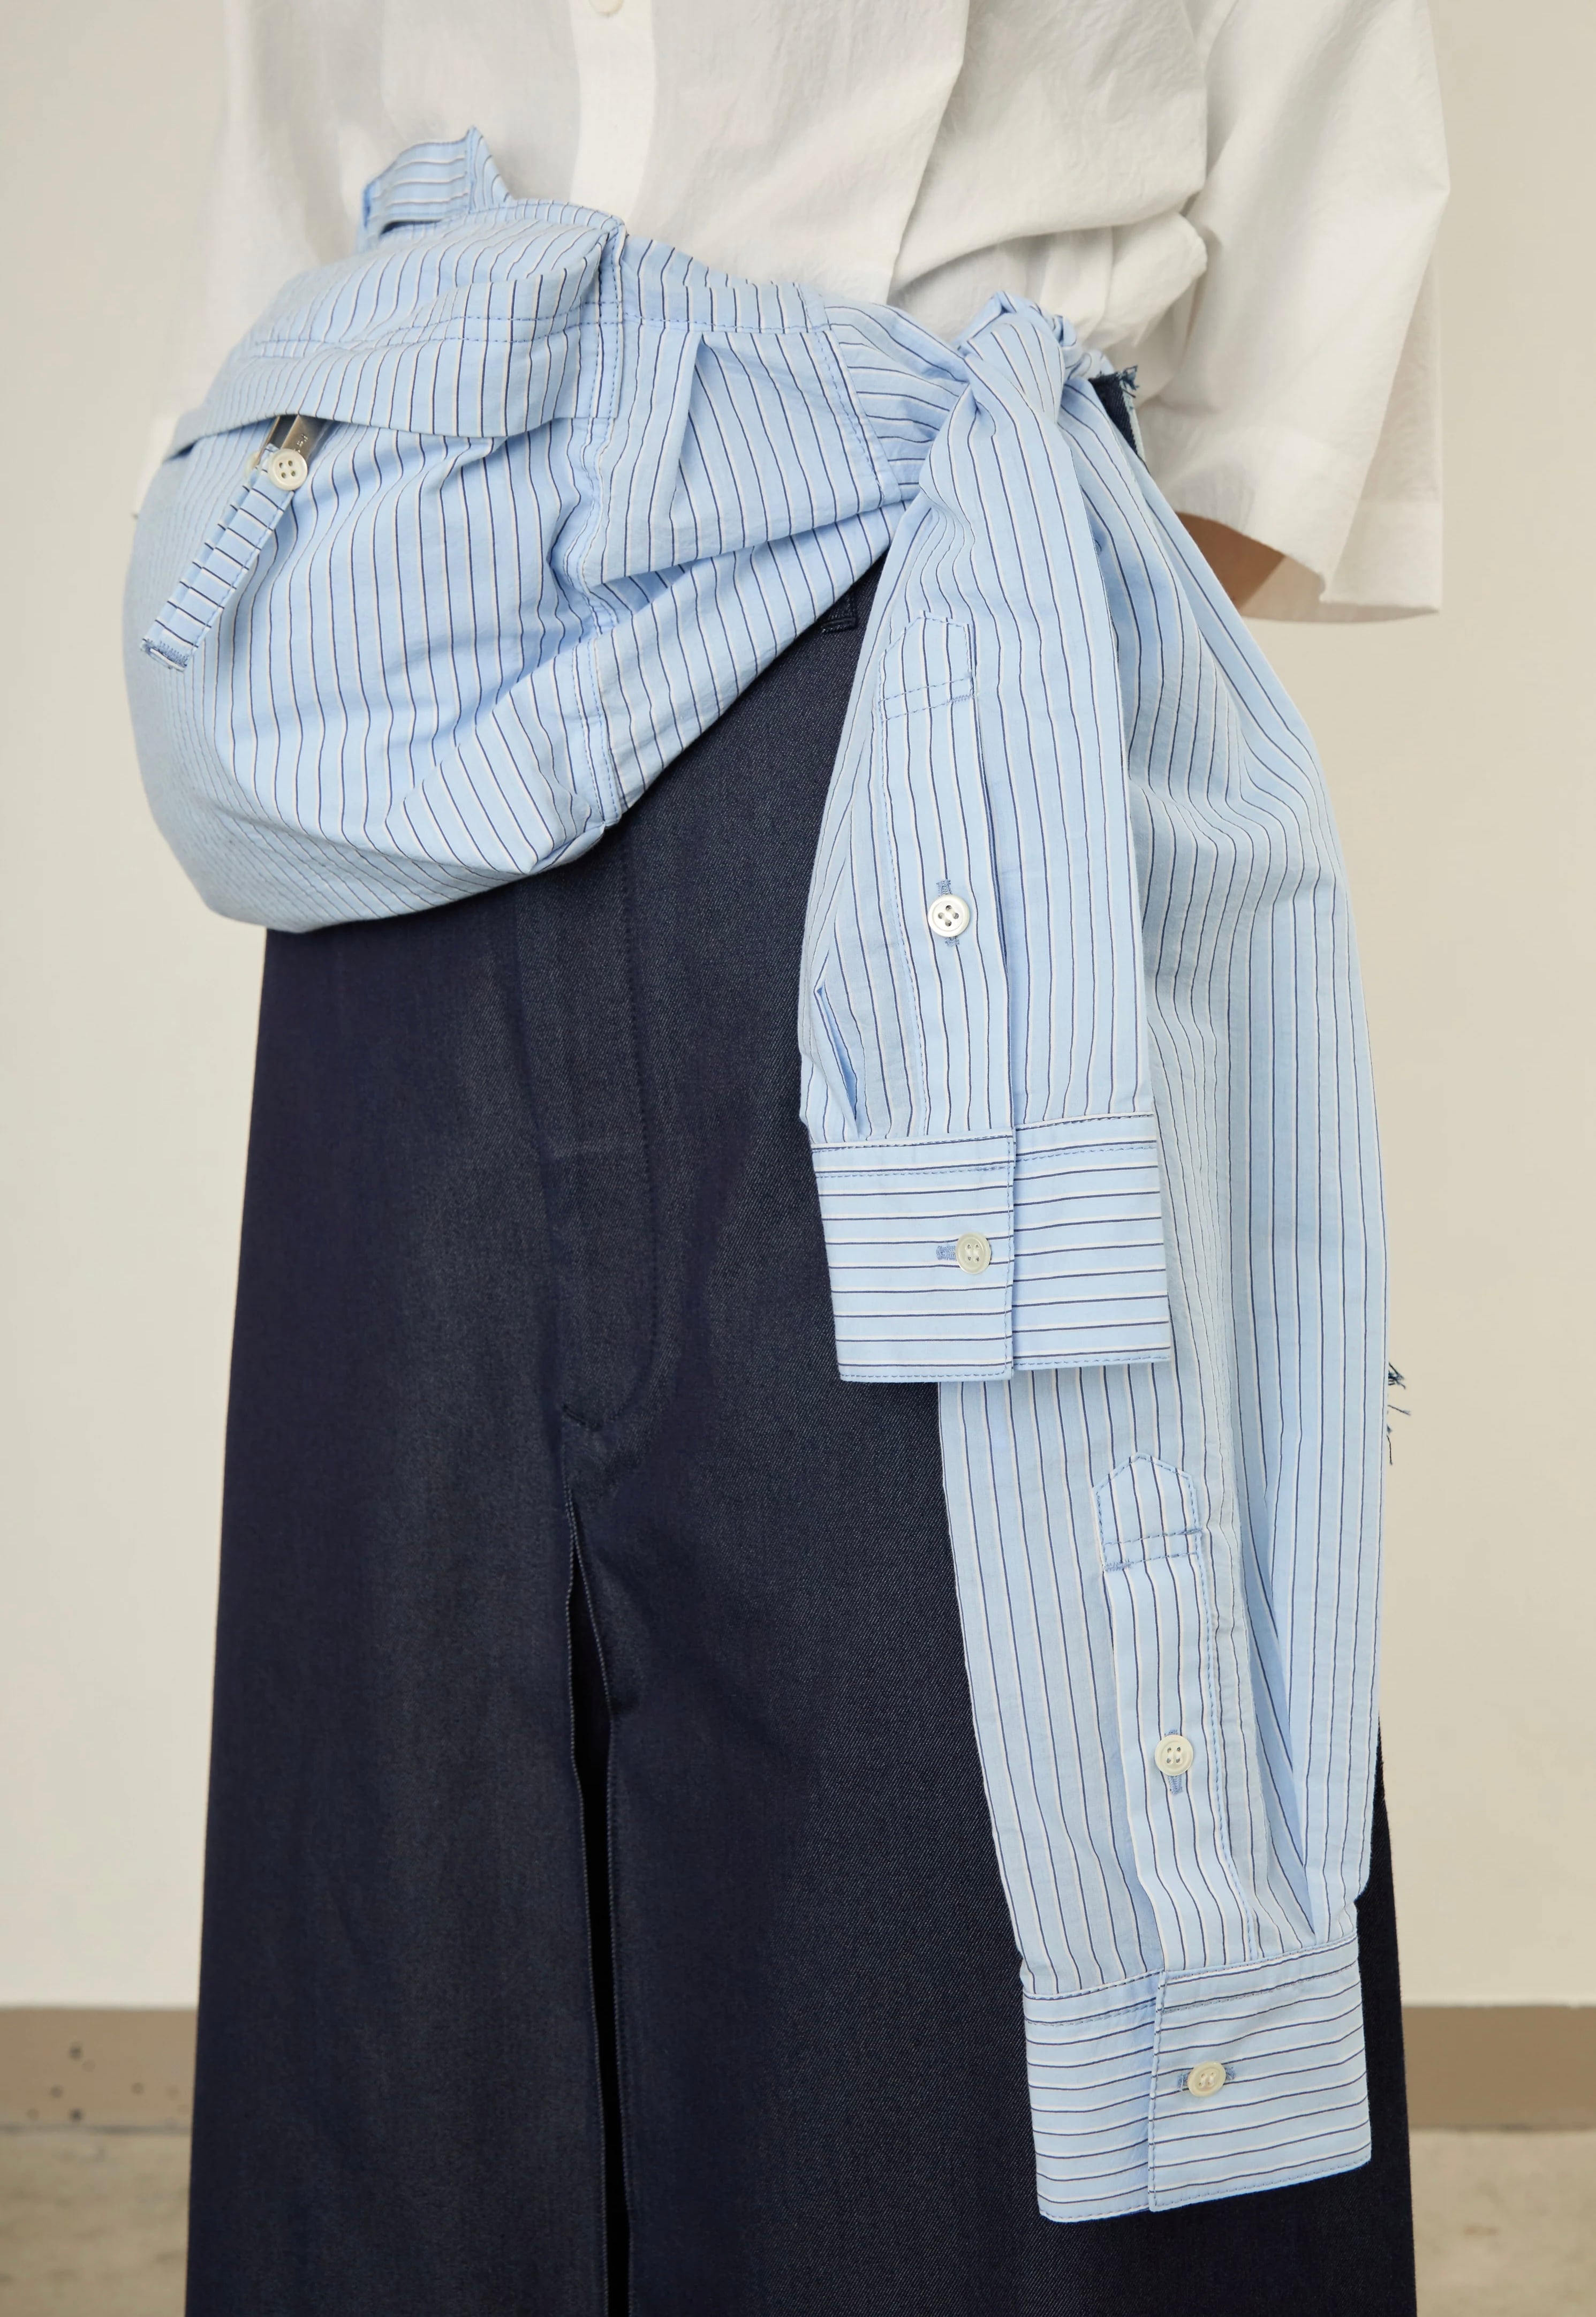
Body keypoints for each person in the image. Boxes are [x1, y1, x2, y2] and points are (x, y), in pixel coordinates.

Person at [125, 6, 1447, 2312]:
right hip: (434, 746)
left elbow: (1303, 289)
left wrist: (987, 647)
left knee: (955, 1890)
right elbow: (291, 220)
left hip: (926, 689)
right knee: (421, 1882)